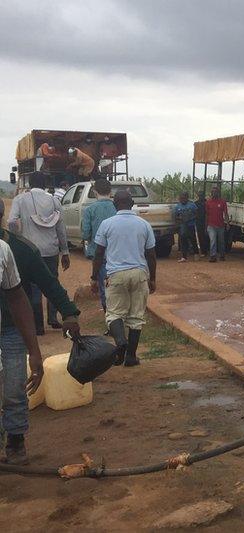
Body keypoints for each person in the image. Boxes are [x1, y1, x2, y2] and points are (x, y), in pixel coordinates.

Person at [0, 200, 80, 464]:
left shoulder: (18, 251)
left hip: (11, 329)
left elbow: (47, 283)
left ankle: (15, 440)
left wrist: (69, 312)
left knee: (14, 388)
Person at [92, 190, 156, 367]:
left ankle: (120, 341)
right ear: (133, 203)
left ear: (114, 204)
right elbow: (151, 254)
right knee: (136, 316)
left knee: (113, 314)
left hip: (116, 274)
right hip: (139, 273)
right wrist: (152, 279)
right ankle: (131, 357)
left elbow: (98, 253)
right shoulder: (144, 224)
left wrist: (93, 277)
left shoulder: (106, 224)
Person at [7, 172, 70, 335]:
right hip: (51, 250)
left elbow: (12, 221)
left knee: (33, 288)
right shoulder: (54, 200)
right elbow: (61, 228)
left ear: (29, 184)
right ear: (45, 184)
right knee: (52, 283)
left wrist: (18, 237)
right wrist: (65, 251)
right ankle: (53, 319)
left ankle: (38, 326)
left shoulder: (20, 199)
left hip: (30, 251)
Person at [81, 178, 117, 311]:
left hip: (99, 254)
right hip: (118, 254)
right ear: (110, 191)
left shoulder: (90, 210)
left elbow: (85, 234)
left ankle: (110, 318)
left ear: (95, 191)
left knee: (104, 287)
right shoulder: (117, 207)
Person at [205, 186, 228, 262]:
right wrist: (206, 226)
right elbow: (206, 215)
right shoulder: (208, 202)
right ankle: (213, 256)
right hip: (211, 225)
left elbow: (226, 213)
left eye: (215, 192)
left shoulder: (222, 202)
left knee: (221, 241)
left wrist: (227, 223)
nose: (214, 193)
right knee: (213, 240)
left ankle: (222, 255)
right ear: (211, 193)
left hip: (220, 225)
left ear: (218, 193)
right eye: (213, 192)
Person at [173, 192, 198, 262]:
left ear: (187, 198)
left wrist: (190, 218)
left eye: (183, 198)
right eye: (180, 198)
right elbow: (176, 216)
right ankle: (184, 256)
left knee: (193, 239)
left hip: (190, 225)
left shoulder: (192, 205)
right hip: (182, 225)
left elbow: (197, 214)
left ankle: (196, 253)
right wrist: (178, 222)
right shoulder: (178, 206)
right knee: (183, 240)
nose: (182, 199)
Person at [194, 190, 209, 257]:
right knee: (200, 237)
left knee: (207, 236)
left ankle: (207, 250)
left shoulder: (207, 202)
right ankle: (203, 251)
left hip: (207, 221)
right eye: (199, 195)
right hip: (199, 222)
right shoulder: (196, 203)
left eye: (202, 195)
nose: (200, 196)